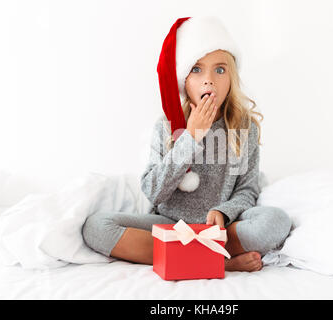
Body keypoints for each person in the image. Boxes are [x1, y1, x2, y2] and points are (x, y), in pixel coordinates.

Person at [82, 16, 292, 272]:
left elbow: (247, 190)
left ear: (231, 77)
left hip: (221, 229)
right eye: (196, 69)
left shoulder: (243, 129)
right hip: (168, 226)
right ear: (183, 80)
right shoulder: (166, 126)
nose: (209, 80)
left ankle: (190, 257)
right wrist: (191, 137)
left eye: (220, 69)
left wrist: (224, 212)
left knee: (275, 222)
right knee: (96, 227)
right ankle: (220, 262)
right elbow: (153, 190)